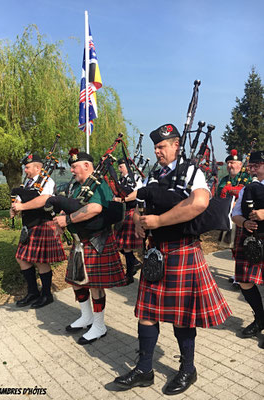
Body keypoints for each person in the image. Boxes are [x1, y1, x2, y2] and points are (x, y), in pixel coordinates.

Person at [112, 124, 232, 395]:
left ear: (177, 145)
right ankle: (144, 370)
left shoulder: (191, 171)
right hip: (156, 252)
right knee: (145, 314)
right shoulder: (154, 174)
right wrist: (139, 221)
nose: (157, 151)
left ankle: (188, 369)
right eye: (155, 147)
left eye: (162, 146)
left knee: (181, 317)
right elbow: (137, 203)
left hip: (181, 250)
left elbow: (199, 203)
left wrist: (160, 220)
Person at [53, 150, 126, 345]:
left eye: (75, 166)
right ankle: (86, 317)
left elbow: (95, 208)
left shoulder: (100, 185)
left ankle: (99, 325)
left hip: (96, 240)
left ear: (86, 166)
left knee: (94, 285)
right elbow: (70, 205)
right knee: (77, 281)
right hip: (79, 241)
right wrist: (60, 221)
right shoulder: (76, 186)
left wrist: (67, 220)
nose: (71, 169)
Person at [11, 154, 66, 309]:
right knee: (22, 258)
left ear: (37, 167)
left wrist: (21, 207)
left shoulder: (47, 181)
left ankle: (47, 295)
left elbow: (45, 199)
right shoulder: (28, 182)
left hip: (43, 223)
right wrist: (15, 207)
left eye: (27, 167)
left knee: (41, 262)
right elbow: (21, 198)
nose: (25, 170)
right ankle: (33, 292)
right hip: (29, 226)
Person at [232, 150, 264, 338]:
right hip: (250, 239)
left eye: (257, 165)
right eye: (251, 165)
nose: (252, 168)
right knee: (244, 281)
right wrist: (244, 222)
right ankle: (260, 318)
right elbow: (234, 214)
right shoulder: (246, 188)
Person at [217, 149, 251, 286]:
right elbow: (220, 193)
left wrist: (234, 193)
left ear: (240, 165)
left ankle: (241, 275)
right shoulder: (225, 180)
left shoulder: (247, 178)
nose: (230, 166)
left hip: (242, 218)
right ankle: (237, 273)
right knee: (231, 247)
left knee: (241, 247)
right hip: (227, 217)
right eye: (229, 163)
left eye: (233, 163)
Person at [114, 158, 143, 285]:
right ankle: (135, 263)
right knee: (118, 244)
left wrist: (123, 200)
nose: (120, 169)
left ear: (127, 166)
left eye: (121, 166)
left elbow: (139, 193)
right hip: (122, 213)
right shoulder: (121, 180)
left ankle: (129, 276)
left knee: (126, 247)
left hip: (132, 211)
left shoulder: (136, 178)